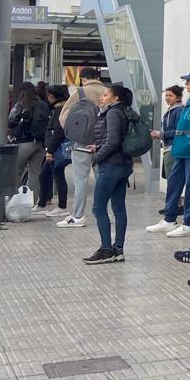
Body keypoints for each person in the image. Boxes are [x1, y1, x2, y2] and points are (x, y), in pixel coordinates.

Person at [150, 69, 190, 237]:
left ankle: (188, 223)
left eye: (189, 80)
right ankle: (169, 219)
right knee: (174, 183)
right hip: (180, 147)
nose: (186, 84)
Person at [84, 82, 134, 265]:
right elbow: (116, 139)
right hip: (123, 165)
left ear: (115, 98)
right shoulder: (123, 112)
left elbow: (112, 141)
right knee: (119, 208)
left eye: (105, 95)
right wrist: (98, 146)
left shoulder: (112, 112)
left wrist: (96, 157)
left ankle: (106, 250)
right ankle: (118, 249)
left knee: (98, 208)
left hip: (111, 166)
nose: (101, 98)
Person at [58, 72, 105, 229]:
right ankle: (103, 213)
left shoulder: (81, 92)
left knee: (81, 181)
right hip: (103, 144)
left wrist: (75, 134)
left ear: (84, 79)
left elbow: (63, 116)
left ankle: (78, 216)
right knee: (102, 180)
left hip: (82, 144)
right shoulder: (108, 92)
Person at [8, 82, 50, 188]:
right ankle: (32, 201)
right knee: (35, 174)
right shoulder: (44, 105)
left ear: (21, 93)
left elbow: (10, 121)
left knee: (15, 171)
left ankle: (15, 198)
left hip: (24, 143)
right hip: (40, 143)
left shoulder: (20, 104)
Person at [38, 85, 70, 216]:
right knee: (45, 175)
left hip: (55, 148)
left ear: (51, 96)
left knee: (58, 176)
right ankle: (42, 203)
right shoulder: (64, 107)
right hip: (55, 148)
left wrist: (50, 150)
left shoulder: (58, 110)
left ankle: (61, 207)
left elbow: (58, 132)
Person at [153, 85, 184, 209]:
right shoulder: (171, 110)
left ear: (178, 97)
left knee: (173, 179)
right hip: (167, 146)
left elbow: (179, 131)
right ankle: (172, 204)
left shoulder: (179, 111)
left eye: (170, 95)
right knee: (170, 178)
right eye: (166, 95)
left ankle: (173, 206)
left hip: (173, 147)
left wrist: (161, 134)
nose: (167, 98)